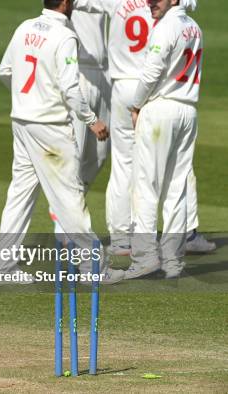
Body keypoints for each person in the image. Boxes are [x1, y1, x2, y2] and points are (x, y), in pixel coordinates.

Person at [0, 0, 124, 283]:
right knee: (70, 197)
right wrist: (92, 120)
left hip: (23, 121)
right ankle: (94, 270)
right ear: (65, 4)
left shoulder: (25, 27)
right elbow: (70, 88)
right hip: (51, 126)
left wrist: (26, 98)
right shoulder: (65, 36)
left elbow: (5, 71)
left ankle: (2, 268)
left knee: (20, 194)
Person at [73, 0, 215, 255]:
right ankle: (186, 233)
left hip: (122, 86)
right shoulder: (166, 8)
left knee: (123, 164)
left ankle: (120, 238)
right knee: (175, 164)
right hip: (155, 87)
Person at [126, 0, 203, 279]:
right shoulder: (193, 26)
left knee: (146, 186)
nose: (149, 1)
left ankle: (145, 258)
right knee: (176, 188)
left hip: (160, 109)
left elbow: (151, 73)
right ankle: (172, 261)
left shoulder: (165, 27)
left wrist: (135, 105)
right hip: (187, 110)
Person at [49, 8, 111, 236]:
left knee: (100, 154)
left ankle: (67, 207)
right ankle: (63, 218)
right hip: (79, 70)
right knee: (76, 152)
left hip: (105, 72)